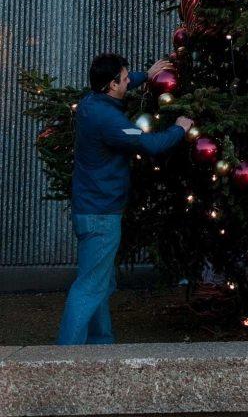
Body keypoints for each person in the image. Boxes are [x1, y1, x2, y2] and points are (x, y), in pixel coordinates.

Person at [57, 52, 192, 346]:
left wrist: (147, 75)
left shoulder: (91, 103)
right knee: (91, 286)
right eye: (125, 78)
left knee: (100, 283)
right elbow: (149, 144)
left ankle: (100, 345)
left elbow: (124, 86)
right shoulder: (110, 121)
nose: (129, 81)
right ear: (111, 84)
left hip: (89, 209)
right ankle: (65, 356)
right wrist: (180, 128)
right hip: (102, 214)